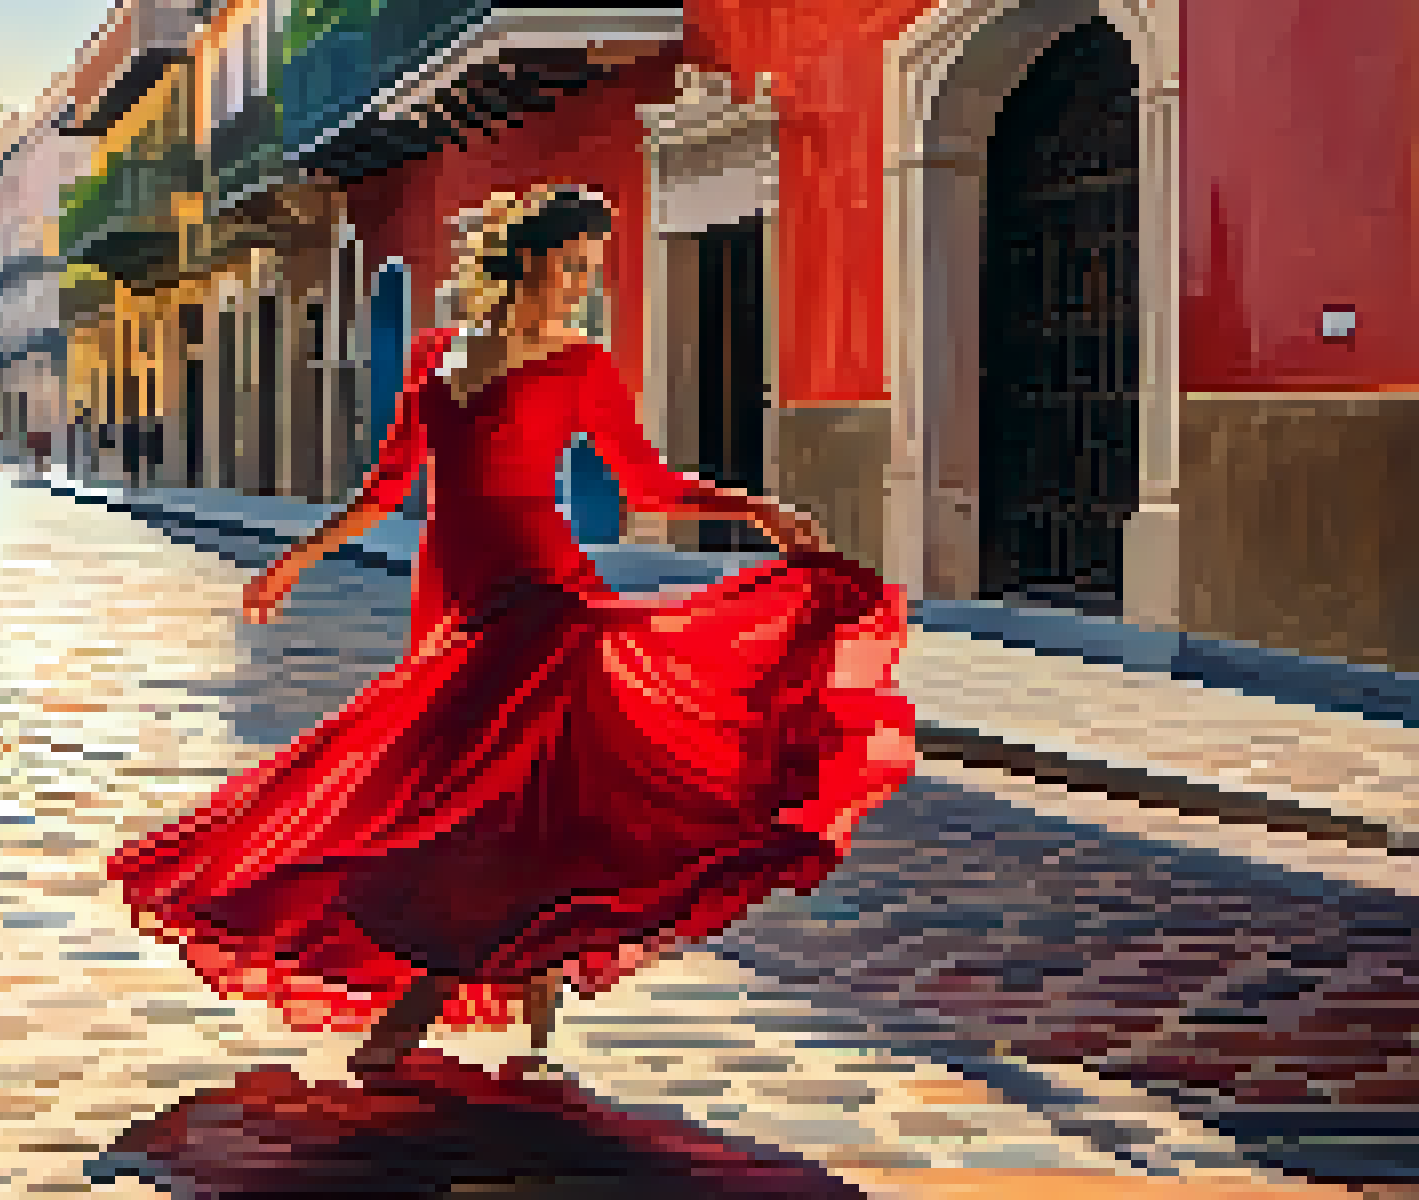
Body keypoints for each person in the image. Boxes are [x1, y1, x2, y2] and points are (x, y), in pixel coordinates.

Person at [105, 183, 916, 1078]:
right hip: (454, 592)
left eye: (590, 270)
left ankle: (417, 1010)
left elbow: (642, 483)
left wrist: (753, 511)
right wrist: (293, 562)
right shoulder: (434, 355)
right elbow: (388, 488)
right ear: (529, 260)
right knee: (482, 792)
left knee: (487, 794)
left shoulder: (582, 368)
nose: (581, 284)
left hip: (542, 589)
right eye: (573, 265)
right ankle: (532, 1009)